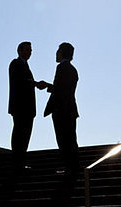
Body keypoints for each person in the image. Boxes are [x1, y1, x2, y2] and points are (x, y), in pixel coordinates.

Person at [39, 42, 80, 174]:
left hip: (62, 109)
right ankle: (73, 166)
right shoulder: (73, 70)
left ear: (61, 52)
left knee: (63, 140)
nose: (56, 54)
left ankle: (70, 167)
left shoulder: (61, 68)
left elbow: (60, 89)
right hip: (70, 109)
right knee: (71, 139)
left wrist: (47, 86)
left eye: (58, 51)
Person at [8, 41, 42, 170]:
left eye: (31, 50)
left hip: (27, 108)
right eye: (27, 50)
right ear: (20, 51)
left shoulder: (25, 65)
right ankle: (17, 161)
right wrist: (35, 83)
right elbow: (20, 81)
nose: (30, 52)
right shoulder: (15, 64)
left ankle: (20, 160)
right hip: (20, 106)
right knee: (19, 133)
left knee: (25, 134)